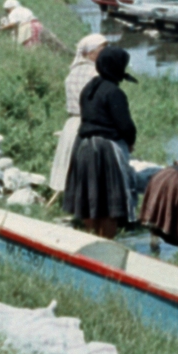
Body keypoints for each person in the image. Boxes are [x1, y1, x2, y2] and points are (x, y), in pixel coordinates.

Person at [63, 45, 138, 238]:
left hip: (83, 146)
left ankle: (91, 238)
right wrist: (130, 142)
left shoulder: (89, 88)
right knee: (109, 205)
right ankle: (106, 243)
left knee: (90, 200)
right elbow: (125, 126)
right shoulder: (113, 92)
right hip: (105, 149)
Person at [48, 32, 107, 194]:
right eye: (102, 49)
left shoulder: (74, 71)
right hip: (91, 123)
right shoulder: (95, 74)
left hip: (73, 123)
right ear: (90, 52)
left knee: (69, 162)